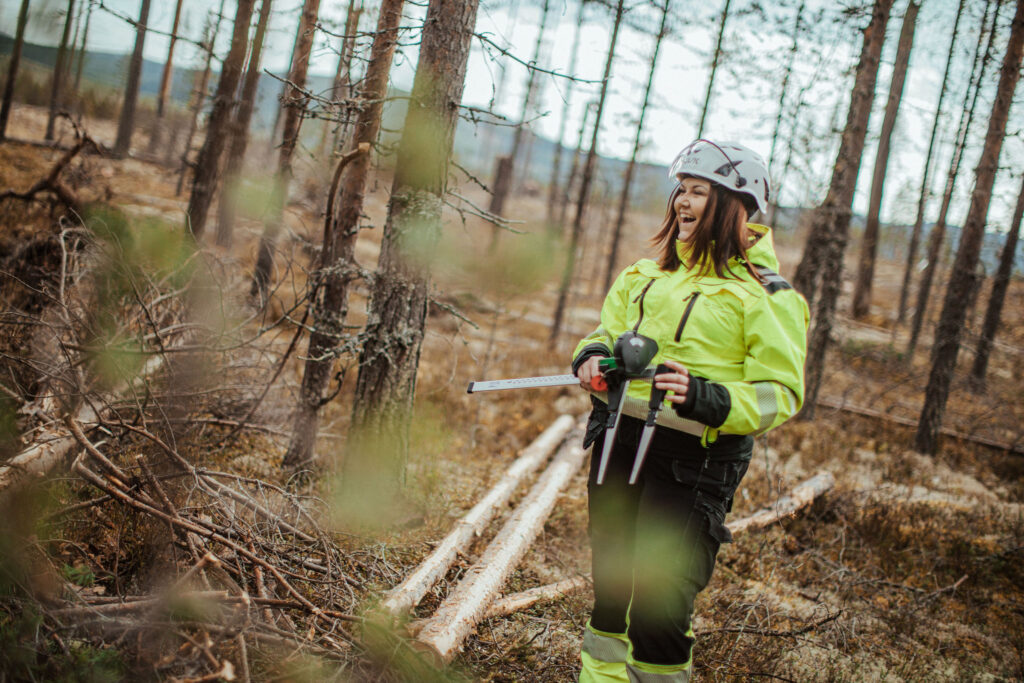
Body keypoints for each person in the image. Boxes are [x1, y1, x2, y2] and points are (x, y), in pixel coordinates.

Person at [571, 139, 810, 682]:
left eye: (698, 191)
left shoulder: (768, 296)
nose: (682, 199)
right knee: (610, 592)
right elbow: (605, 332)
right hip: (618, 438)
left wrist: (707, 397)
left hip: (694, 462)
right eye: (681, 188)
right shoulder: (646, 274)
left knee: (658, 609)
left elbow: (780, 392)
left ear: (733, 205)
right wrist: (591, 358)